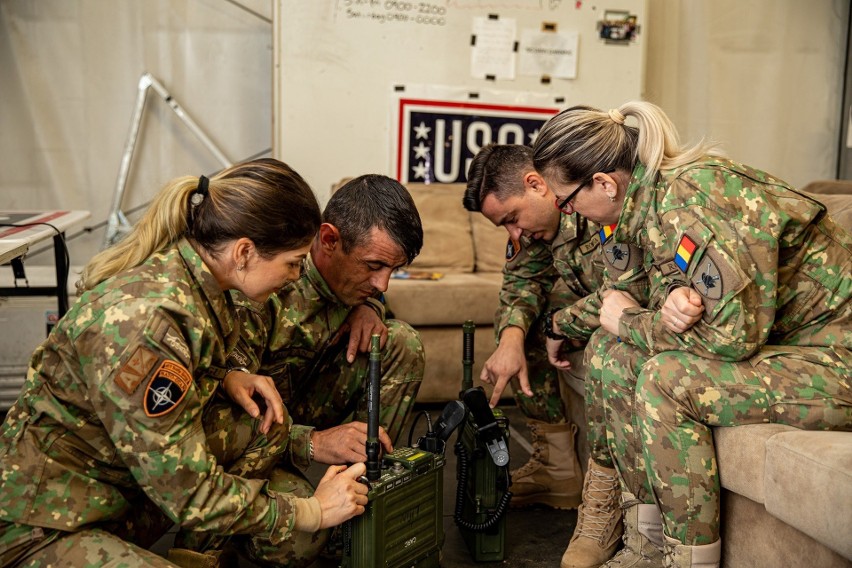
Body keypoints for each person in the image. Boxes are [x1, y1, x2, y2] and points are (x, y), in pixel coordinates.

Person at [0, 159, 370, 567]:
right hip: (39, 525)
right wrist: (312, 511)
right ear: (244, 252)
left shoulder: (194, 283)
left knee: (264, 422)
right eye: (293, 262)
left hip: (110, 485)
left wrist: (226, 376)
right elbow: (190, 491)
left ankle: (194, 555)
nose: (298, 276)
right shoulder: (148, 323)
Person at [533, 101, 852, 568]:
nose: (568, 212)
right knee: (610, 351)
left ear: (603, 183)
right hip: (785, 348)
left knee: (668, 379)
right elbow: (623, 292)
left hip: (834, 359)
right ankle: (642, 544)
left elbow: (730, 337)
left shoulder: (693, 197)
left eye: (566, 201)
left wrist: (632, 321)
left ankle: (688, 561)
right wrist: (569, 325)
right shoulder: (634, 204)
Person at [464, 144, 690, 568]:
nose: (514, 234)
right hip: (596, 312)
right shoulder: (535, 227)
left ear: (536, 184)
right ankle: (557, 466)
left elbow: (630, 292)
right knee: (518, 330)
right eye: (503, 227)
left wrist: (560, 324)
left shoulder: (598, 201)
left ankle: (610, 509)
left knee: (595, 340)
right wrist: (511, 339)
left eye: (511, 218)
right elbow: (521, 283)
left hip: (631, 316)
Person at [204, 173, 426, 565]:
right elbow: (219, 418)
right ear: (328, 240)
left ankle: (362, 496)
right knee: (301, 542)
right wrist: (312, 442)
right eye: (374, 265)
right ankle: (225, 539)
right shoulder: (264, 284)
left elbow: (378, 301)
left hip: (301, 410)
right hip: (251, 442)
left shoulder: (355, 288)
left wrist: (371, 307)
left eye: (394, 269)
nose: (383, 283)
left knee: (401, 341)